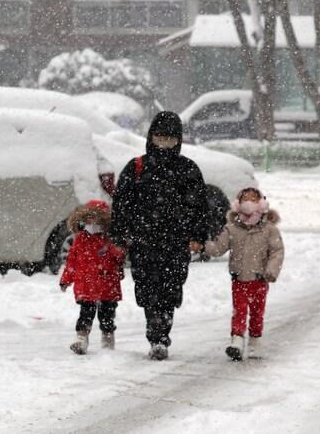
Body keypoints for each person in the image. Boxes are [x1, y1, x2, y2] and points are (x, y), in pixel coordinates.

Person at [110, 111, 210, 361]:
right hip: (144, 242)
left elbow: (200, 206)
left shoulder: (188, 169)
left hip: (175, 243)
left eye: (170, 139)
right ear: (151, 137)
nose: (164, 143)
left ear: (178, 140)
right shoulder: (136, 168)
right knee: (146, 289)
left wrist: (198, 235)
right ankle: (155, 333)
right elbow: (121, 204)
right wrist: (121, 235)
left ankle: (161, 335)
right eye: (160, 137)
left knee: (170, 290)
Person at [205, 188, 284, 361]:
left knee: (257, 312)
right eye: (244, 199)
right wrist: (204, 245)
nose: (248, 202)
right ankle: (237, 341)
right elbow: (219, 248)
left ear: (261, 203)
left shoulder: (269, 229)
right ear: (238, 204)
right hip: (239, 279)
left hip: (259, 280)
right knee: (239, 311)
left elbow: (277, 251)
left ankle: (255, 341)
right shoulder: (232, 228)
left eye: (253, 199)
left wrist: (271, 270)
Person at [58, 200, 126, 355]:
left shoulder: (110, 239)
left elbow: (119, 258)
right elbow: (72, 261)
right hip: (86, 287)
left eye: (96, 219)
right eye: (89, 218)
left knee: (107, 316)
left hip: (107, 285)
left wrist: (116, 248)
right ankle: (82, 338)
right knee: (85, 314)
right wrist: (66, 279)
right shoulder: (81, 239)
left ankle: (108, 339)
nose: (92, 222)